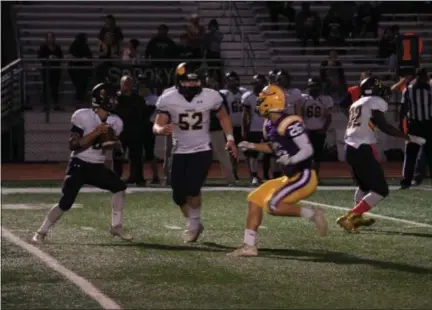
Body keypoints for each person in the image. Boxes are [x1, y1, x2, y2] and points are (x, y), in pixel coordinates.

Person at [228, 84, 328, 257]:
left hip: (304, 175)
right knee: (255, 198)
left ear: (271, 100)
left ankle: (312, 213)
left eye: (262, 99)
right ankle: (249, 246)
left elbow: (307, 149)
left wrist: (291, 159)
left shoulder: (290, 122)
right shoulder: (269, 124)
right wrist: (252, 145)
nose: (259, 102)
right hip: (289, 177)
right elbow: (274, 147)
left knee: (273, 205)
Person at [31, 83, 132, 244]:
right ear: (103, 100)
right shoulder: (83, 116)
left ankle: (116, 225)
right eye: (112, 98)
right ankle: (41, 232)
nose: (116, 101)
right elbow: (73, 145)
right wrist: (96, 133)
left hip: (97, 165)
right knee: (66, 202)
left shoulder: (116, 121)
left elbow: (112, 149)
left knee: (119, 187)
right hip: (79, 164)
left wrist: (115, 144)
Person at [153, 62, 238, 243]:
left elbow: (223, 116)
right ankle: (195, 223)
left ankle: (193, 227)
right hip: (179, 150)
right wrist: (160, 129)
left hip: (202, 149)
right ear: (178, 80)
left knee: (193, 189)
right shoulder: (168, 97)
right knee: (178, 196)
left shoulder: (211, 96)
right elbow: (157, 123)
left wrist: (230, 137)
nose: (191, 85)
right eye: (187, 81)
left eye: (195, 81)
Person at [337, 77, 425, 233]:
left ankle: (356, 219)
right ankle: (351, 216)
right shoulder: (374, 101)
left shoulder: (357, 102)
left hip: (351, 148)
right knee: (381, 189)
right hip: (361, 149)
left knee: (364, 186)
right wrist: (408, 137)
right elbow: (384, 126)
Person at [400, 68, 432, 189]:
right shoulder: (410, 90)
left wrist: (401, 122)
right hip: (423, 125)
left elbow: (403, 109)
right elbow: (403, 108)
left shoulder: (408, 90)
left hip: (417, 125)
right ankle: (406, 180)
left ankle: (406, 181)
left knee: (412, 154)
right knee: (413, 154)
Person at [113, 76, 146, 186]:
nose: (126, 85)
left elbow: (144, 115)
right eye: (124, 83)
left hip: (135, 132)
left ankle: (137, 178)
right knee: (118, 156)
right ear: (120, 84)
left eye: (128, 83)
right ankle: (116, 178)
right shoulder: (115, 99)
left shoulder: (138, 99)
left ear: (132, 85)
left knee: (136, 156)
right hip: (120, 132)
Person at [205, 74, 236, 185]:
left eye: (211, 82)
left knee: (223, 155)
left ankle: (230, 179)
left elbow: (225, 113)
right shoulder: (200, 95)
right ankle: (200, 178)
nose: (209, 85)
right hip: (202, 130)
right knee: (201, 156)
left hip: (215, 128)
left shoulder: (219, 96)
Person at [300, 77, 333, 178]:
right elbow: (299, 114)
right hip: (306, 131)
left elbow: (328, 117)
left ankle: (314, 177)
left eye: (315, 85)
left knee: (317, 156)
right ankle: (305, 177)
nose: (312, 88)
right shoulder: (303, 98)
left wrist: (323, 129)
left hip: (318, 130)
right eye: (311, 85)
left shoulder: (325, 99)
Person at [220, 71, 247, 181]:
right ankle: (232, 172)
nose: (233, 82)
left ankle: (238, 171)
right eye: (230, 80)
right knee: (230, 151)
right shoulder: (223, 93)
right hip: (229, 126)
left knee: (242, 150)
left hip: (241, 125)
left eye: (234, 79)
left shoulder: (243, 92)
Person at [241, 74, 268, 186]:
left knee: (270, 153)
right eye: (256, 83)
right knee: (253, 154)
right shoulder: (248, 96)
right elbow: (245, 115)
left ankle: (268, 175)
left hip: (267, 127)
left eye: (260, 83)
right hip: (254, 128)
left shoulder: (269, 95)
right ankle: (254, 176)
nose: (258, 86)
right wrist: (244, 129)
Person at [138, 75, 160, 184]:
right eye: (141, 86)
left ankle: (155, 176)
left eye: (144, 86)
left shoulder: (155, 99)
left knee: (150, 153)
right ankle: (139, 176)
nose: (142, 88)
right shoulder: (136, 98)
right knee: (138, 153)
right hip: (137, 128)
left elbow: (157, 114)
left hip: (148, 128)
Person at [38, 31, 63, 111]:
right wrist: (47, 58)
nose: (50, 39)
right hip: (46, 70)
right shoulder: (43, 47)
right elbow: (40, 57)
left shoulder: (57, 47)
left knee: (55, 87)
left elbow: (61, 57)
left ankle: (56, 104)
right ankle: (46, 106)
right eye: (48, 37)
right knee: (46, 87)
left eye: (51, 37)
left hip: (55, 70)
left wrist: (55, 58)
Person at [68, 32, 93, 109]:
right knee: (79, 87)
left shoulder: (85, 46)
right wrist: (81, 59)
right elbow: (70, 57)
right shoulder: (75, 45)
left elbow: (89, 56)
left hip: (85, 71)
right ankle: (79, 104)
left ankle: (82, 104)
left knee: (83, 88)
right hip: (77, 71)